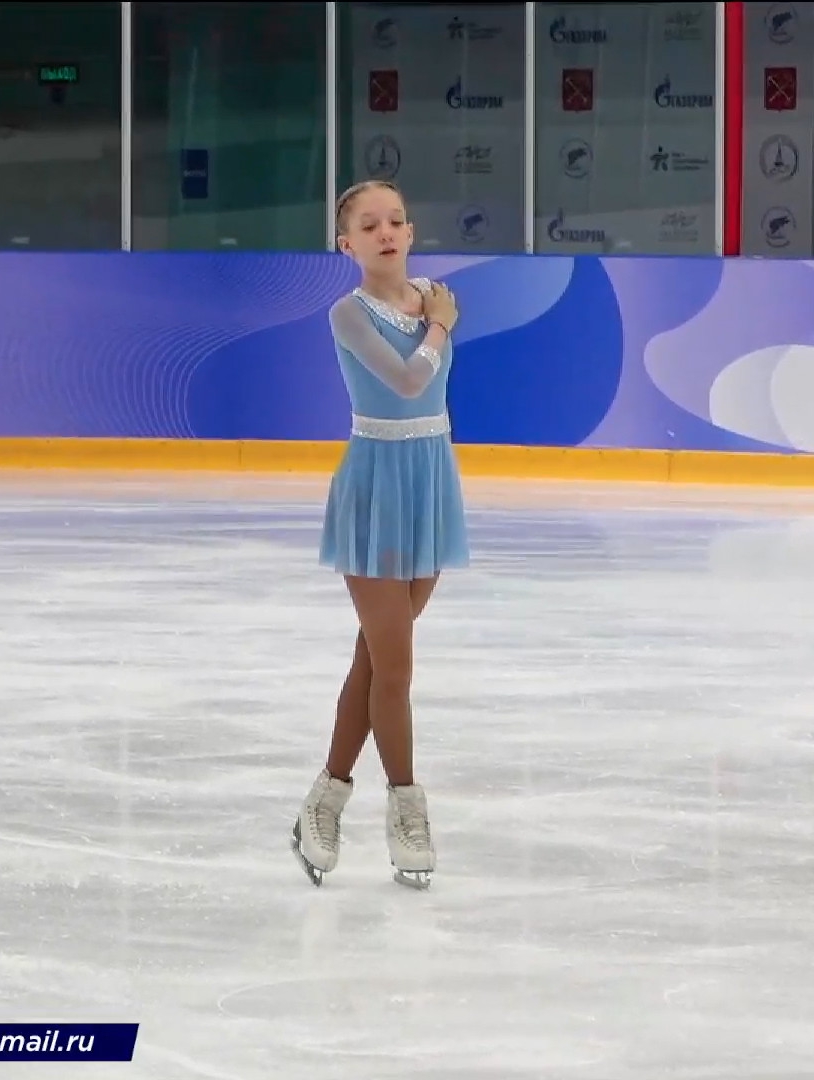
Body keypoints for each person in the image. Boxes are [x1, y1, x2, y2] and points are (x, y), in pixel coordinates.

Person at [292, 180, 467, 890]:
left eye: (396, 220)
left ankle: (322, 801)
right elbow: (405, 381)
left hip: (430, 480)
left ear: (411, 231)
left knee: (374, 661)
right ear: (348, 245)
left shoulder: (432, 296)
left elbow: (430, 394)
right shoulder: (349, 313)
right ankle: (407, 808)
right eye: (369, 226)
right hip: (376, 486)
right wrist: (439, 328)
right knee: (394, 669)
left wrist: (436, 318)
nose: (386, 232)